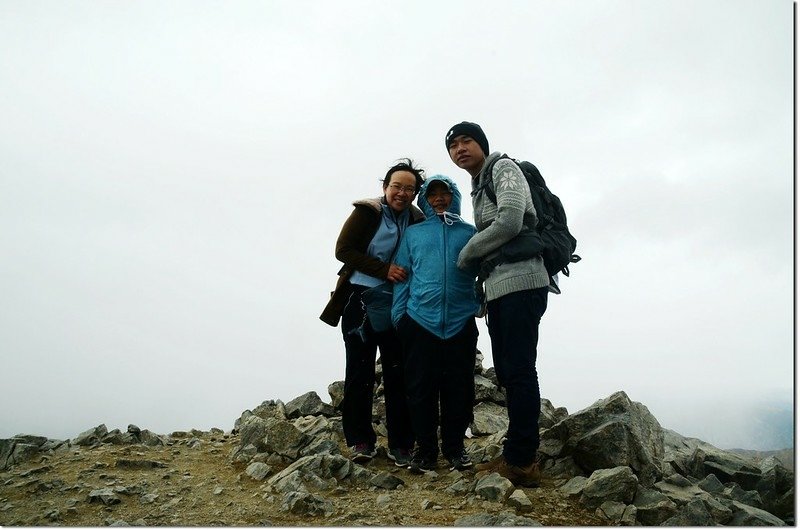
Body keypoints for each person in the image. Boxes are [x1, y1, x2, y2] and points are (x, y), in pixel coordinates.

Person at [445, 121, 549, 487]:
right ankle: (515, 453)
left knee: (519, 370)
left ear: (482, 144)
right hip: (502, 289)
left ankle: (523, 461)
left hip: (522, 282)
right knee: (508, 372)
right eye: (453, 145)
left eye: (467, 141)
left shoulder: (503, 169)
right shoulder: (479, 184)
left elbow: (510, 220)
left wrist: (467, 253)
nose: (460, 149)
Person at [319, 159, 425, 466]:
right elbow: (343, 249)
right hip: (359, 299)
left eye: (409, 188)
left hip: (397, 302)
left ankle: (402, 444)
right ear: (385, 187)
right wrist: (383, 270)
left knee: (397, 371)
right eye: (396, 186)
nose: (402, 193)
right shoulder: (368, 211)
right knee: (360, 370)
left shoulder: (416, 220)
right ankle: (360, 440)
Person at [391, 175, 480, 473]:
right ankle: (425, 451)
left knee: (460, 387)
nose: (439, 199)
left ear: (454, 196)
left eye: (445, 193)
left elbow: (483, 272)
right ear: (425, 200)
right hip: (419, 321)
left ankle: (455, 449)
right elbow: (402, 276)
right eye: (433, 195)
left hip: (461, 321)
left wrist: (478, 305)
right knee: (420, 389)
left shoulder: (470, 232)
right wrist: (399, 318)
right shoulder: (414, 234)